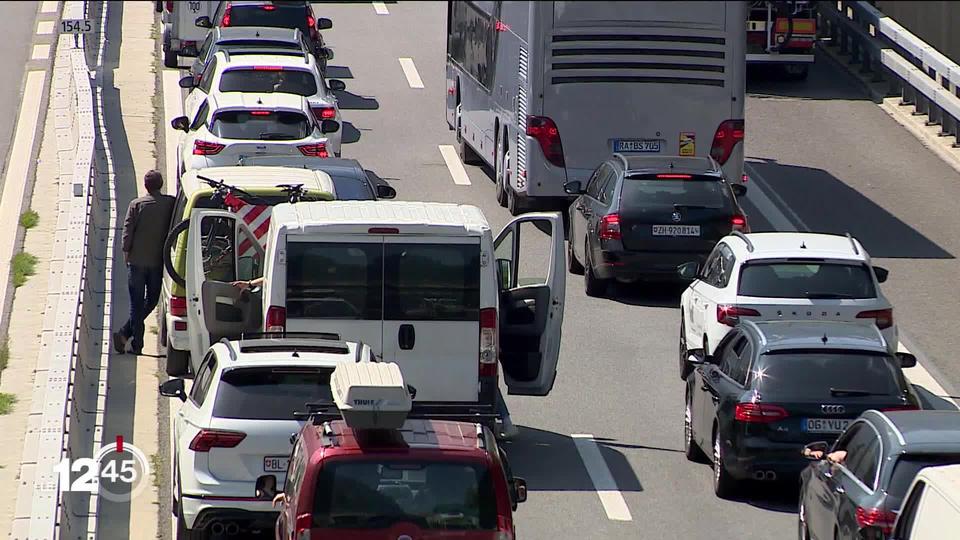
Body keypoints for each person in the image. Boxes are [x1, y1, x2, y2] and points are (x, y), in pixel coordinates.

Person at [113, 171, 175, 355]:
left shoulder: (136, 205)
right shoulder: (170, 203)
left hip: (137, 261)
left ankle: (131, 339)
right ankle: (127, 337)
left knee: (136, 303)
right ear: (161, 184)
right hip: (157, 262)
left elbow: (127, 231)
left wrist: (126, 252)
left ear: (146, 186)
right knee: (152, 300)